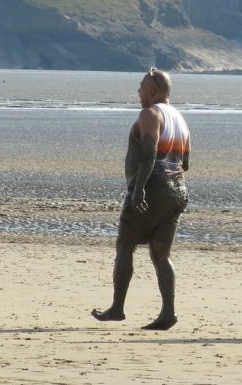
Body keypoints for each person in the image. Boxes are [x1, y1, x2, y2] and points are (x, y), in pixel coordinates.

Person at [91, 68, 190, 331]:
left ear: (151, 91)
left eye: (140, 87)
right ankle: (168, 311)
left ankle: (117, 309)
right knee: (161, 254)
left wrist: (138, 189)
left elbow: (149, 151)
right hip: (178, 191)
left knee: (125, 247)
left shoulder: (151, 114)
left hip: (153, 188)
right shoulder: (179, 118)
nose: (137, 92)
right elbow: (186, 162)